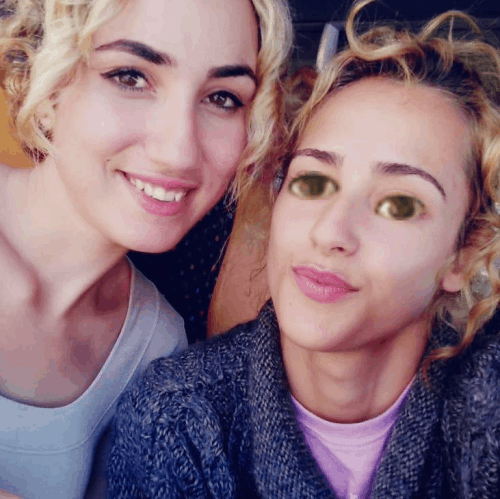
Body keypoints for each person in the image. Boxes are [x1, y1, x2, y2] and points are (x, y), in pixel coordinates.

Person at [107, 1, 500, 497]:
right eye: (313, 183)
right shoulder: (176, 418)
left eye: (399, 204)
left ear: (465, 252)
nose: (331, 230)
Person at [0, 0, 292, 496]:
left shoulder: (156, 345)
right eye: (130, 77)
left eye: (222, 98)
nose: (179, 151)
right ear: (46, 87)